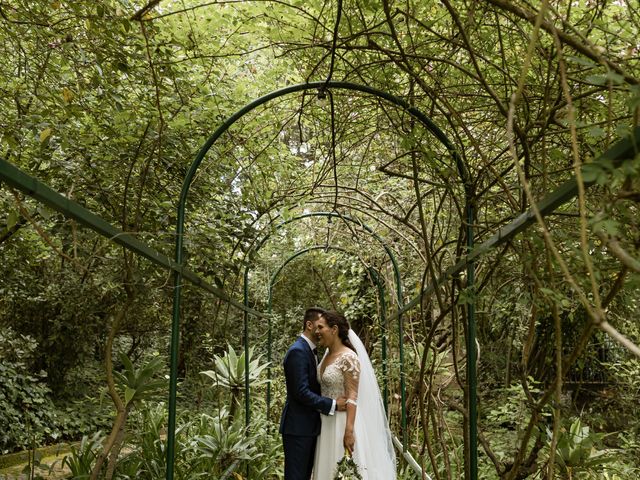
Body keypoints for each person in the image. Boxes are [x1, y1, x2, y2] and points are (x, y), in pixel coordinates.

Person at [312, 310, 396, 480]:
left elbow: (352, 395)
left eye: (321, 327)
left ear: (334, 329)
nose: (317, 331)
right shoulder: (327, 355)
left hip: (342, 423)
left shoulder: (349, 357)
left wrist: (349, 431)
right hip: (325, 422)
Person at [280, 307, 347, 480]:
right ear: (309, 325)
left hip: (309, 426)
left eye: (322, 327)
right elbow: (301, 392)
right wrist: (332, 404)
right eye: (318, 326)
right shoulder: (298, 351)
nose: (319, 331)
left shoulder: (312, 351)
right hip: (298, 428)